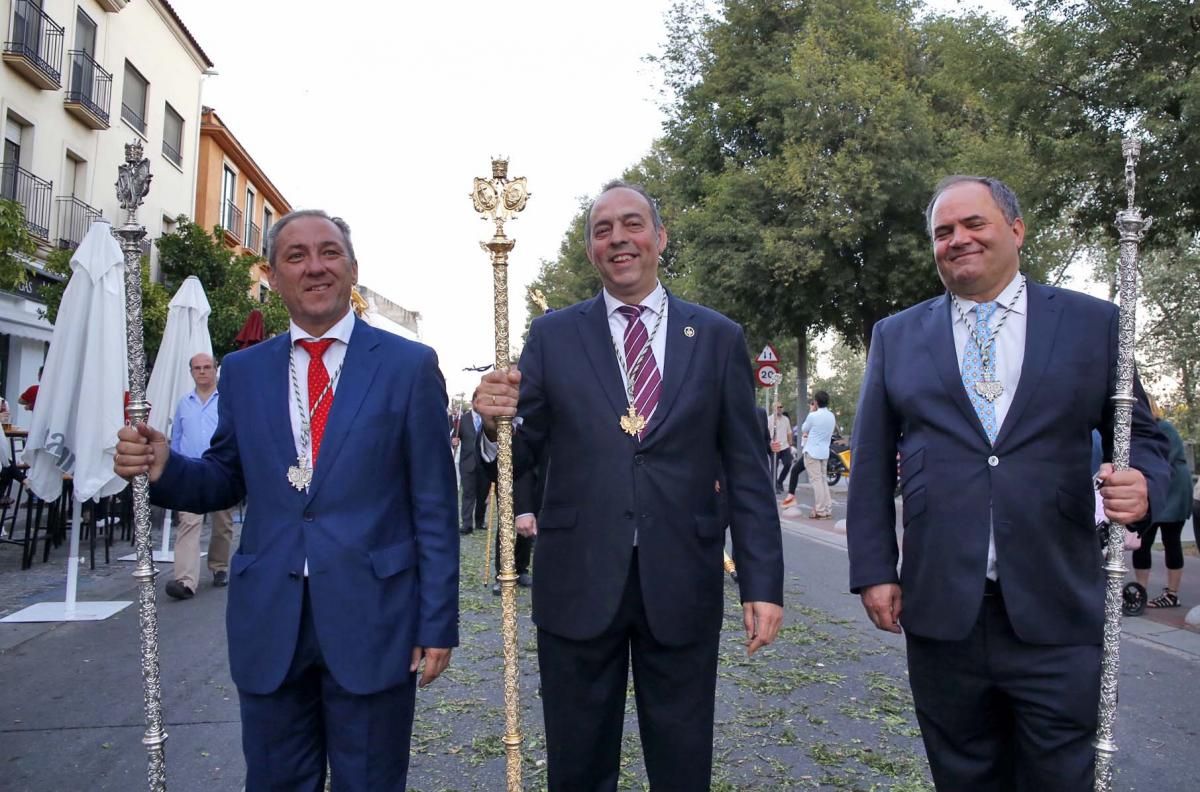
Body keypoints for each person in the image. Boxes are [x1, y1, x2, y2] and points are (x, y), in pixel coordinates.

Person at [114, 209, 459, 790]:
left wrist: (437, 621)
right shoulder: (245, 371)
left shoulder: (408, 366)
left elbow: (433, 504)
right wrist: (165, 465)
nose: (315, 266)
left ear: (353, 268)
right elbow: (225, 476)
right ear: (273, 276)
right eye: (295, 256)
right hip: (271, 617)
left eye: (329, 252)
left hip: (374, 615)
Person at [846, 175, 1169, 792]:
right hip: (942, 612)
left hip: (1059, 608)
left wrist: (1144, 484)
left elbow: (1146, 437)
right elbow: (870, 462)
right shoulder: (897, 336)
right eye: (943, 233)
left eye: (974, 224)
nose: (957, 240)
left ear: (1016, 231)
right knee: (963, 775)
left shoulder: (1095, 324)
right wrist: (875, 570)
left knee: (1059, 777)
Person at [475, 181, 784, 791]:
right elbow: (523, 446)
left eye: (632, 224)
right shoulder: (554, 336)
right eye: (602, 230)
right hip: (578, 575)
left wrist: (762, 582)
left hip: (683, 576)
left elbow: (747, 469)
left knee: (682, 757)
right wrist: (494, 421)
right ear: (591, 250)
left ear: (660, 238)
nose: (618, 238)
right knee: (578, 759)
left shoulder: (717, 337)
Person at [163, 353, 235, 600]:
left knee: (222, 524)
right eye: (197, 368)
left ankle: (219, 566)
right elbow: (177, 437)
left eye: (207, 367)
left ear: (216, 370)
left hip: (220, 470)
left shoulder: (226, 401)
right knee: (189, 524)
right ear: (191, 372)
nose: (202, 372)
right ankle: (185, 580)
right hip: (190, 471)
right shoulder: (184, 403)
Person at [1132, 396, 1193, 608]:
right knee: (1143, 541)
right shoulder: (1149, 430)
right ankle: (1141, 590)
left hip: (1173, 489)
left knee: (1170, 540)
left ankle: (1172, 593)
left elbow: (1158, 462)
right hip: (1162, 488)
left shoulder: (1161, 429)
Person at [784, 392, 836, 516]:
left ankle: (820, 510)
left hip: (812, 451)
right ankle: (827, 509)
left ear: (816, 402)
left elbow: (804, 429)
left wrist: (811, 411)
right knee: (823, 480)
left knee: (816, 481)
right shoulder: (831, 416)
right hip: (824, 452)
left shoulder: (813, 416)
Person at [453, 402, 495, 535]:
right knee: (468, 494)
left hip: (485, 462)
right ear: (473, 403)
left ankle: (479, 521)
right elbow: (455, 435)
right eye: (477, 401)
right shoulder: (463, 419)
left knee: (482, 495)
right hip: (468, 463)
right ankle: (466, 524)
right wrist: (454, 440)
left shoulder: (488, 418)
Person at [768, 402, 793, 493]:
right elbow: (766, 433)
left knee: (788, 463)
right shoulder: (769, 420)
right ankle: (774, 487)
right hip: (774, 446)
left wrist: (790, 445)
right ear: (773, 408)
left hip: (785, 446)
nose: (780, 409)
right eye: (778, 407)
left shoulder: (786, 419)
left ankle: (780, 482)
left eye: (781, 407)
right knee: (774, 467)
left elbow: (789, 432)